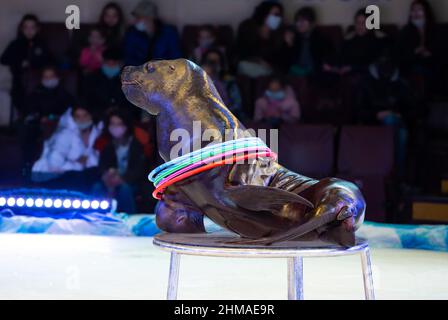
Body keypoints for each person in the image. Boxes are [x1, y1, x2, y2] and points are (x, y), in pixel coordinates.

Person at [355, 53, 416, 175]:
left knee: (399, 131)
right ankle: (385, 174)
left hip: (397, 122)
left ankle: (397, 176)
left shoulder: (401, 84)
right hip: (371, 122)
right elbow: (358, 110)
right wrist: (376, 115)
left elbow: (413, 108)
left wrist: (400, 115)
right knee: (391, 125)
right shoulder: (366, 83)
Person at [31, 104, 102, 191]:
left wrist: (79, 162)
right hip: (48, 175)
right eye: (78, 116)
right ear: (73, 118)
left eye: (85, 115)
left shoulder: (98, 134)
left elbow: (97, 161)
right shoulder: (65, 134)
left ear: (91, 116)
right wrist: (78, 164)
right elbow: (54, 163)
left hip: (81, 177)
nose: (82, 119)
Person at [92, 108, 147, 213]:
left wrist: (122, 179)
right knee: (97, 187)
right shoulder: (107, 145)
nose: (115, 127)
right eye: (112, 124)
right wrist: (106, 176)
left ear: (126, 126)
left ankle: (129, 219)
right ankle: (96, 218)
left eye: (119, 124)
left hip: (131, 182)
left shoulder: (136, 145)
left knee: (124, 189)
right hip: (110, 181)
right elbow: (102, 166)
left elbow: (139, 170)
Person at [1, 14, 50, 113]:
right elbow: (3, 59)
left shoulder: (41, 44)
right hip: (19, 82)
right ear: (22, 29)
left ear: (37, 29)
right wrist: (19, 62)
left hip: (38, 81)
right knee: (20, 98)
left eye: (32, 27)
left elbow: (50, 61)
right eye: (26, 27)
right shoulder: (15, 44)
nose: (29, 31)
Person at [328, 9, 387, 76]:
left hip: (367, 74)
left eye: (363, 23)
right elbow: (340, 56)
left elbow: (375, 63)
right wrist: (330, 65)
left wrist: (352, 67)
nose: (360, 26)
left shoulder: (378, 39)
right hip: (348, 72)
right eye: (357, 22)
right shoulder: (349, 38)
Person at [123, 0, 181, 66]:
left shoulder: (169, 33)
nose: (136, 20)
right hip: (140, 73)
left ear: (150, 18)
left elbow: (176, 58)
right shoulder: (132, 34)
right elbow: (128, 58)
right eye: (136, 17)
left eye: (139, 17)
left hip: (164, 72)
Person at [236, 0, 285, 78]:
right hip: (248, 69)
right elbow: (240, 52)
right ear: (264, 14)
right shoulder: (248, 28)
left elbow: (281, 60)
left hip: (271, 74)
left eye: (279, 15)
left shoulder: (280, 35)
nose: (278, 18)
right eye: (275, 14)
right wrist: (257, 60)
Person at [282, 7, 333, 77]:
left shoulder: (321, 38)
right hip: (296, 71)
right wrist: (289, 44)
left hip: (314, 72)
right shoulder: (294, 37)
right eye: (297, 21)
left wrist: (326, 63)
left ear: (313, 23)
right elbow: (287, 61)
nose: (300, 23)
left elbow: (329, 55)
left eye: (303, 20)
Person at [82, 48, 133, 117]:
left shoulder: (130, 80)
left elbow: (133, 102)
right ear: (102, 62)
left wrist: (118, 110)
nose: (110, 67)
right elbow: (86, 100)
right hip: (97, 116)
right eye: (107, 63)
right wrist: (103, 111)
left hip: (122, 117)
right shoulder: (91, 78)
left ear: (121, 64)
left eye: (113, 64)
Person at [396, 0, 436, 76]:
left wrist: (429, 53)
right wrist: (415, 52)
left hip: (431, 62)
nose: (416, 13)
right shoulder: (406, 31)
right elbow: (399, 54)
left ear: (426, 12)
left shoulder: (434, 29)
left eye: (419, 9)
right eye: (413, 10)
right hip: (412, 64)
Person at [201, 49, 243, 118]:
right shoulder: (197, 83)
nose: (212, 65)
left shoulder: (229, 82)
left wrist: (222, 114)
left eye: (215, 62)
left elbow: (237, 105)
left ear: (222, 64)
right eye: (210, 62)